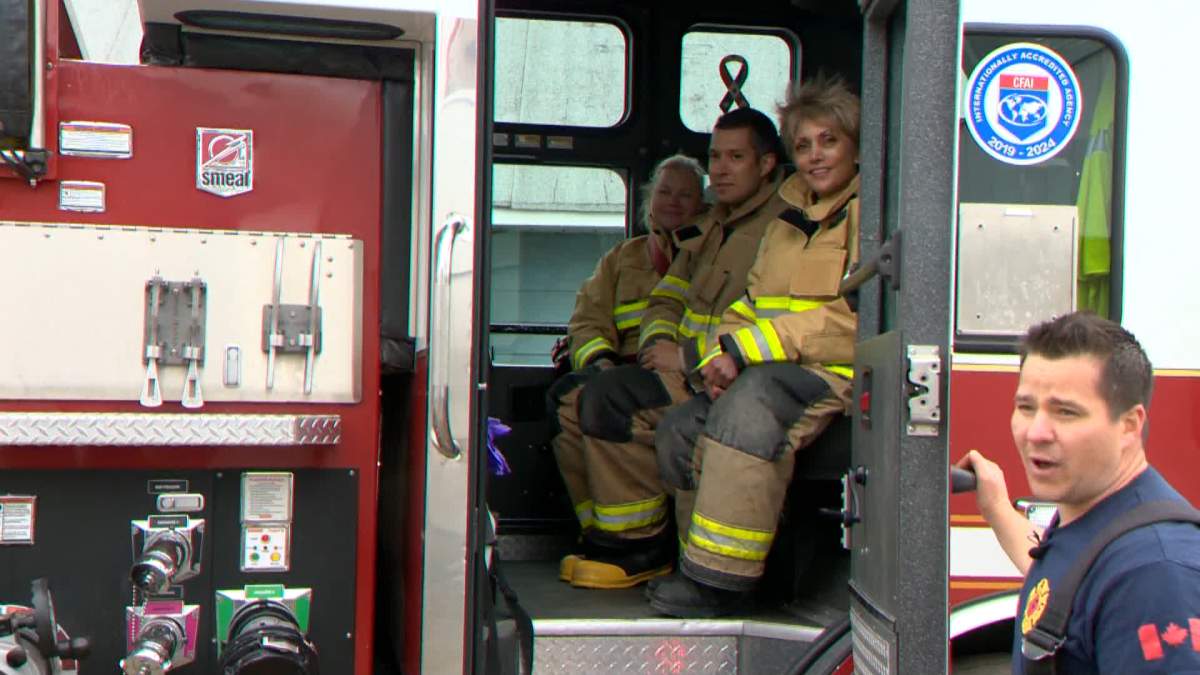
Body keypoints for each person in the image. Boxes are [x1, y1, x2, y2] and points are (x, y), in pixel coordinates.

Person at [648, 76, 861, 617]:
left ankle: (720, 583)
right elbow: (750, 302)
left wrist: (748, 352)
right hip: (771, 364)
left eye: (828, 141)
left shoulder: (867, 213)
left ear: (854, 145)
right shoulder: (787, 221)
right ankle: (701, 565)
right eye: (805, 145)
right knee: (680, 426)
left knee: (749, 408)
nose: (815, 157)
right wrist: (722, 353)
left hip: (835, 372)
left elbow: (851, 319)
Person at [562, 107, 789, 589]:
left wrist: (688, 356)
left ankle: (641, 545)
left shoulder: (781, 226)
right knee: (579, 396)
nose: (722, 169)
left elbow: (775, 317)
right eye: (716, 157)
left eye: (735, 157)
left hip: (733, 374)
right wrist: (660, 343)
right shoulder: (710, 231)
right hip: (685, 366)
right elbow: (668, 298)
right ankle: (608, 533)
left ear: (766, 164)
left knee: (613, 399)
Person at [957, 312, 1200, 673]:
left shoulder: (1154, 574)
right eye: (1026, 407)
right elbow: (1069, 583)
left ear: (1129, 426)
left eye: (1066, 412)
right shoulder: (1094, 521)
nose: (1035, 432)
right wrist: (997, 507)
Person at [550, 153, 706, 582]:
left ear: (703, 204)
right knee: (566, 399)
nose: (673, 202)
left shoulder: (709, 252)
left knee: (612, 399)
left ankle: (639, 542)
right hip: (622, 368)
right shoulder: (622, 259)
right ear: (648, 200)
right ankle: (599, 530)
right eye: (665, 192)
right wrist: (597, 359)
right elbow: (588, 320)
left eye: (686, 194)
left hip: (685, 372)